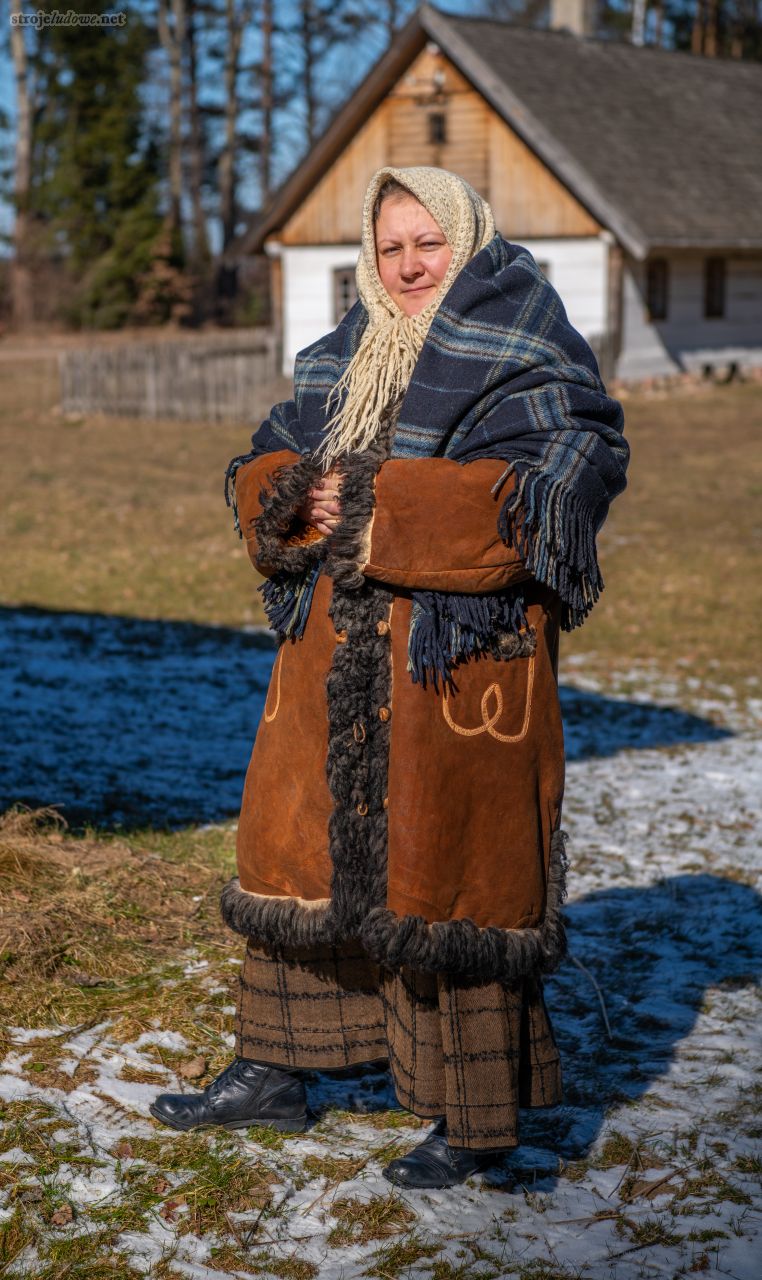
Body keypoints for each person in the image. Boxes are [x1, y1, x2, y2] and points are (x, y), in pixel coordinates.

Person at [150, 165, 628, 1189]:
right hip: (327, 661)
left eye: (428, 243)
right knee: (294, 854)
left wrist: (366, 505)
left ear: (468, 242)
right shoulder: (341, 355)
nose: (407, 265)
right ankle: (274, 1068)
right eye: (390, 247)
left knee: (450, 878)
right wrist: (280, 498)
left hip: (457, 671)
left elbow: (545, 497)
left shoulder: (529, 347)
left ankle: (475, 1119)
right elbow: (266, 461)